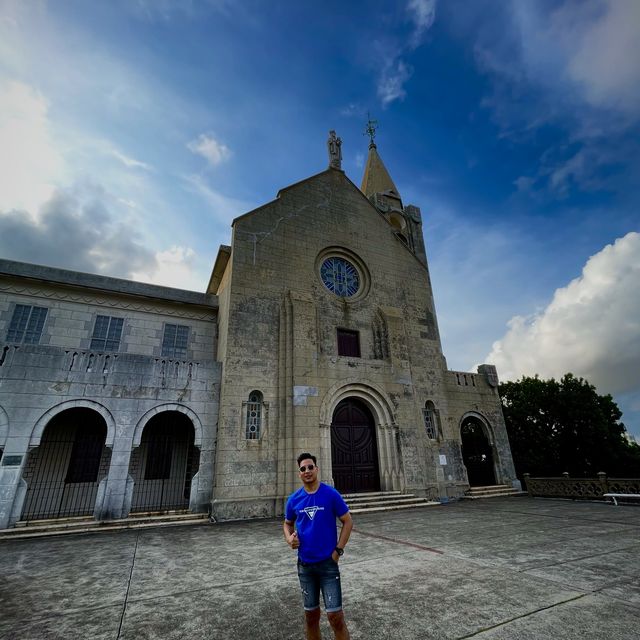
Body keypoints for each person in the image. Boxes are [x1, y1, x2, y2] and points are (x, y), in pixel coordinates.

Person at [283, 453, 353, 640]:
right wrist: (289, 538)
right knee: (311, 617)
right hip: (305, 565)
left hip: (328, 565)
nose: (307, 471)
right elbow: (287, 523)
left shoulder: (330, 494)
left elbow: (348, 521)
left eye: (310, 467)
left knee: (335, 617)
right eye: (303, 469)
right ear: (299, 473)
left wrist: (338, 551)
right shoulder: (294, 499)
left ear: (316, 469)